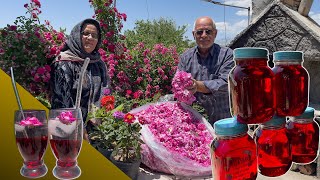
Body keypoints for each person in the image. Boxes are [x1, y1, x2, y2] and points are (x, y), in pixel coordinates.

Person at [50, 18, 110, 141]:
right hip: (69, 131)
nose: (90, 38)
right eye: (86, 33)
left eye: (94, 35)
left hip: (95, 130)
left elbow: (106, 92)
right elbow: (62, 102)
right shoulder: (64, 62)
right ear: (77, 35)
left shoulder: (98, 64)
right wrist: (78, 129)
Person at [178, 16, 234, 125]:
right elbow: (178, 83)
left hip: (221, 120)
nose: (204, 35)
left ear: (215, 33)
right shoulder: (185, 57)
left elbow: (226, 83)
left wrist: (197, 86)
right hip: (195, 121)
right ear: (194, 35)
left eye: (208, 31)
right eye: (199, 32)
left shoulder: (227, 54)